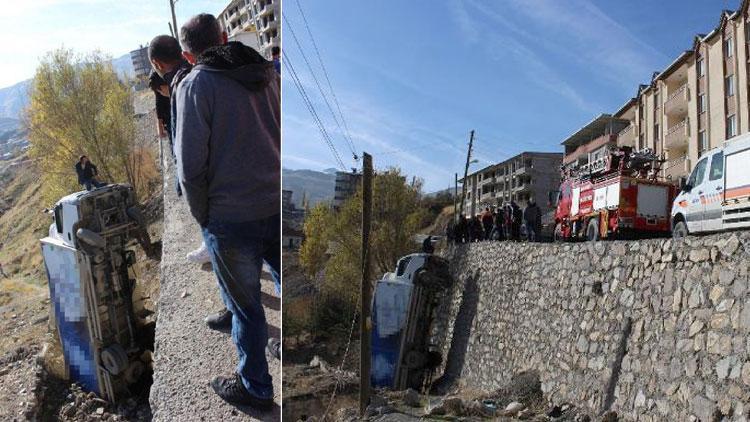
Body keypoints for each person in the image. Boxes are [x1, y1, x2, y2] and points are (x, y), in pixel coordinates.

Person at [174, 13, 280, 409]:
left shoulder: (196, 85)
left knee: (246, 307)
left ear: (187, 54)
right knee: (283, 280)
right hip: (275, 203)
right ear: (223, 35)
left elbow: (189, 168)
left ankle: (255, 388)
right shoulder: (265, 72)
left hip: (232, 216)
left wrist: (205, 218)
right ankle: (289, 347)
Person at [148, 71, 171, 140]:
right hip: (169, 120)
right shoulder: (160, 93)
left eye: (161, 89)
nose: (161, 92)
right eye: (158, 91)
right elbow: (159, 105)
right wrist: (160, 128)